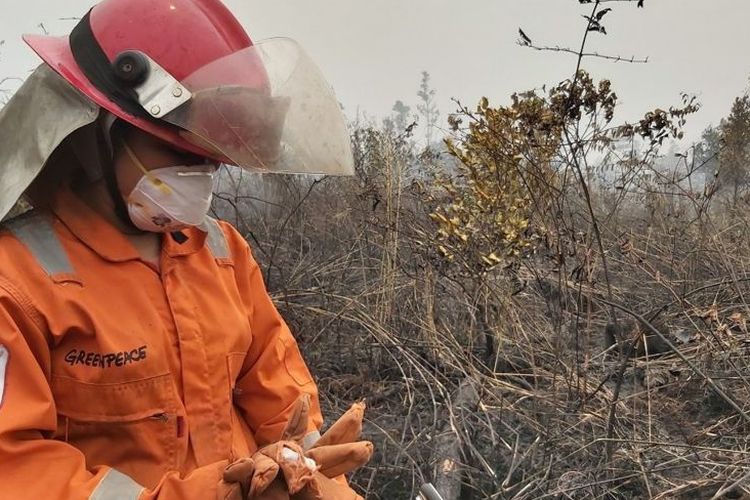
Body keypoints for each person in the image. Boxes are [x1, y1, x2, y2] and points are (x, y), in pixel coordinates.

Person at [0, 0, 371, 498]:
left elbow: (285, 402)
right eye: (179, 154)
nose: (199, 179)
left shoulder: (221, 255)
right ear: (99, 134)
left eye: (211, 162)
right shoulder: (17, 282)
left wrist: (312, 481)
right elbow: (16, 468)